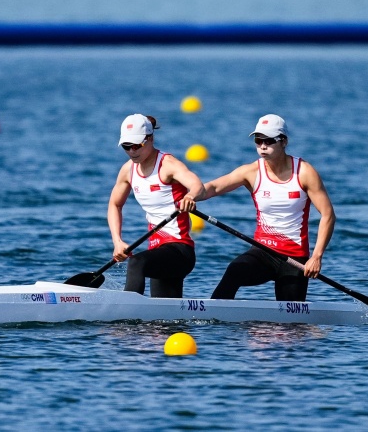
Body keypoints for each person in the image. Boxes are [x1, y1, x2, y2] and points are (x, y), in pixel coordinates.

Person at [201, 114, 335, 301]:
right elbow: (213, 188)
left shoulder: (304, 172)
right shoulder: (251, 172)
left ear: (284, 141)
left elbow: (328, 215)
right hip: (263, 253)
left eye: (269, 141)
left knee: (291, 327)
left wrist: (317, 256)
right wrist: (190, 196)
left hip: (295, 258)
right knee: (234, 270)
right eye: (258, 140)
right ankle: (213, 318)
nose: (263, 146)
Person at [108, 113, 206, 298]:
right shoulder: (127, 170)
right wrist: (117, 241)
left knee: (136, 262)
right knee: (165, 322)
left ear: (150, 138)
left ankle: (126, 318)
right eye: (126, 147)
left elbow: (197, 185)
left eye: (136, 145)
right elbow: (114, 204)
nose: (131, 152)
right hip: (158, 251)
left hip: (180, 250)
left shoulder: (168, 165)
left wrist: (191, 196)